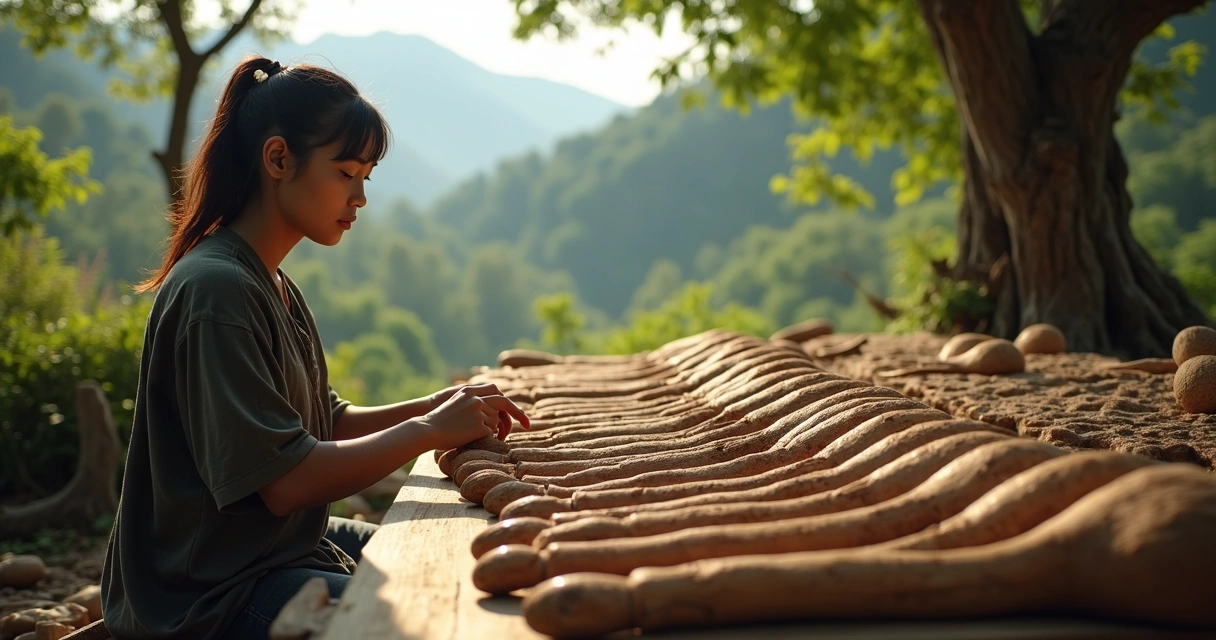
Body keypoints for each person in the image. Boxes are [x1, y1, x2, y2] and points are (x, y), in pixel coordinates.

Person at [99, 56, 530, 640]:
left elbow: (323, 422)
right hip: (210, 594)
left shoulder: (268, 280)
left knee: (457, 557)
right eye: (346, 172)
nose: (359, 198)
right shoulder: (216, 291)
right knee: (435, 612)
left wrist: (439, 404)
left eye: (365, 177)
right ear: (278, 159)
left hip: (276, 555)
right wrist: (431, 430)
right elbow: (286, 483)